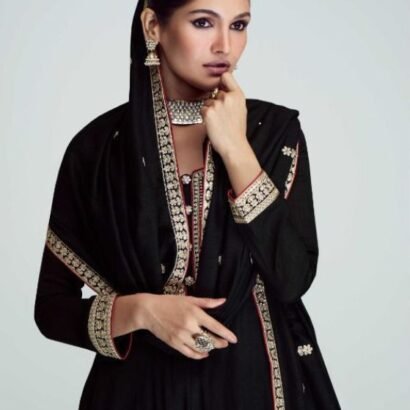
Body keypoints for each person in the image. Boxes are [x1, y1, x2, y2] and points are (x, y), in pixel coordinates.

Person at [34, 0, 342, 408]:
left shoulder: (273, 134)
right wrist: (143, 312)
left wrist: (236, 149)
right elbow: (52, 308)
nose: (224, 45)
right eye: (202, 23)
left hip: (256, 383)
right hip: (138, 393)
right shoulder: (99, 150)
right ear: (152, 26)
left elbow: (293, 278)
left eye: (238, 25)